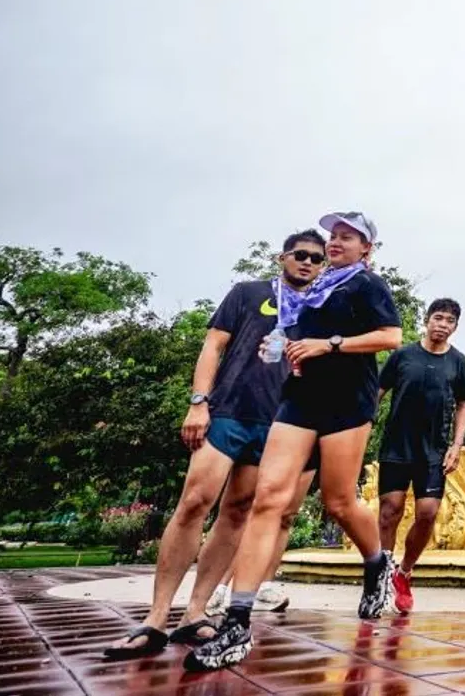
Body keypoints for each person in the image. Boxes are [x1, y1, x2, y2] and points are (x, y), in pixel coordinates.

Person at [187, 212, 404, 672]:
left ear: (367, 248)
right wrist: (294, 352)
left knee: (340, 501)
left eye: (348, 237)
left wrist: (330, 344)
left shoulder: (367, 285)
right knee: (269, 499)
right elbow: (297, 339)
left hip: (349, 403)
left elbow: (391, 337)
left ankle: (377, 561)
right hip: (300, 400)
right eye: (334, 236)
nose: (336, 242)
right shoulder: (315, 290)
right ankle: (237, 619)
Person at [103, 231, 324, 660]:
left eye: (317, 259)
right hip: (227, 412)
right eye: (301, 255)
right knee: (194, 502)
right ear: (283, 257)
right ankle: (155, 618)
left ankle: (196, 613)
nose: (308, 263)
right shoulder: (248, 293)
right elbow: (214, 345)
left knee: (238, 512)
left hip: (277, 422)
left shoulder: (320, 309)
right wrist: (198, 403)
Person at [375, 297, 465, 615]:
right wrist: (360, 425)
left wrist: (457, 444)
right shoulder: (402, 355)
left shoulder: (458, 362)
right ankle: (382, 577)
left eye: (449, 321)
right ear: (427, 319)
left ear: (455, 327)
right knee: (389, 511)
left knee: (427, 512)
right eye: (439, 318)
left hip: (434, 450)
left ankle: (404, 571)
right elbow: (378, 391)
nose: (442, 325)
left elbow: (464, 403)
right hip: (396, 446)